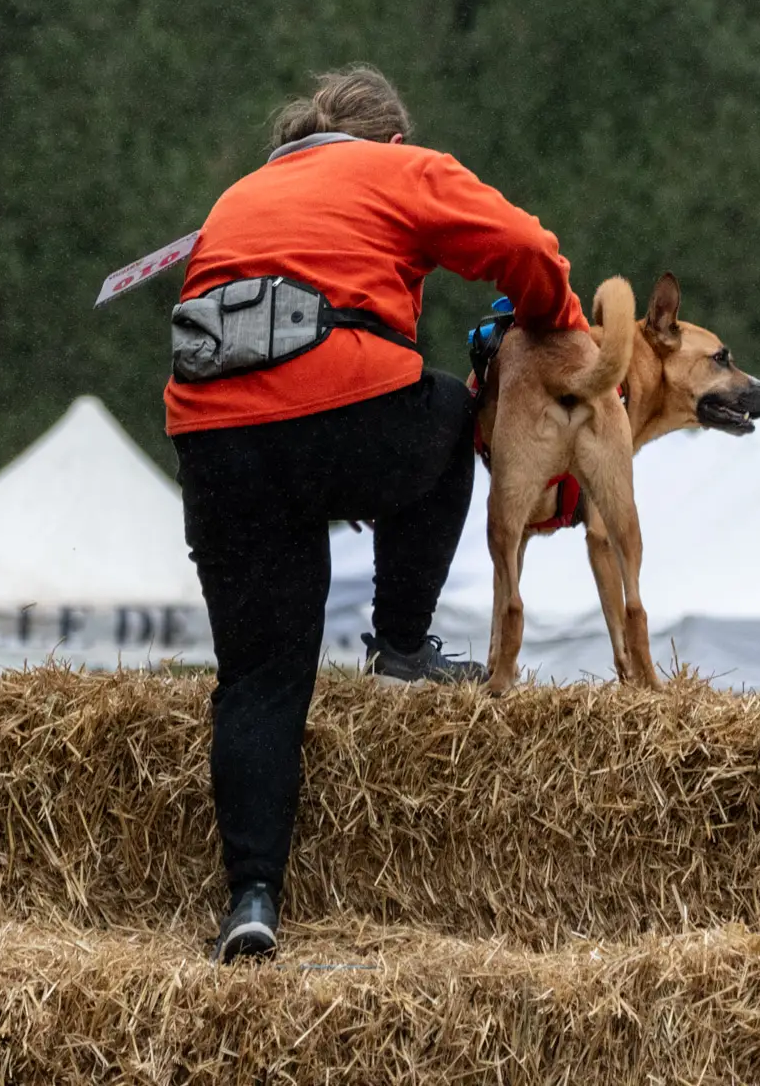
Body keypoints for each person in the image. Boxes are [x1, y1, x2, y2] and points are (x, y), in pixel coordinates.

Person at [164, 65, 588, 962]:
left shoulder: (243, 192)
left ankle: (252, 897)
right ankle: (400, 643)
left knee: (260, 679)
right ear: (392, 139)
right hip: (338, 409)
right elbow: (527, 246)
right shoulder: (400, 169)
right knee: (446, 411)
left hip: (214, 438)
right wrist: (558, 328)